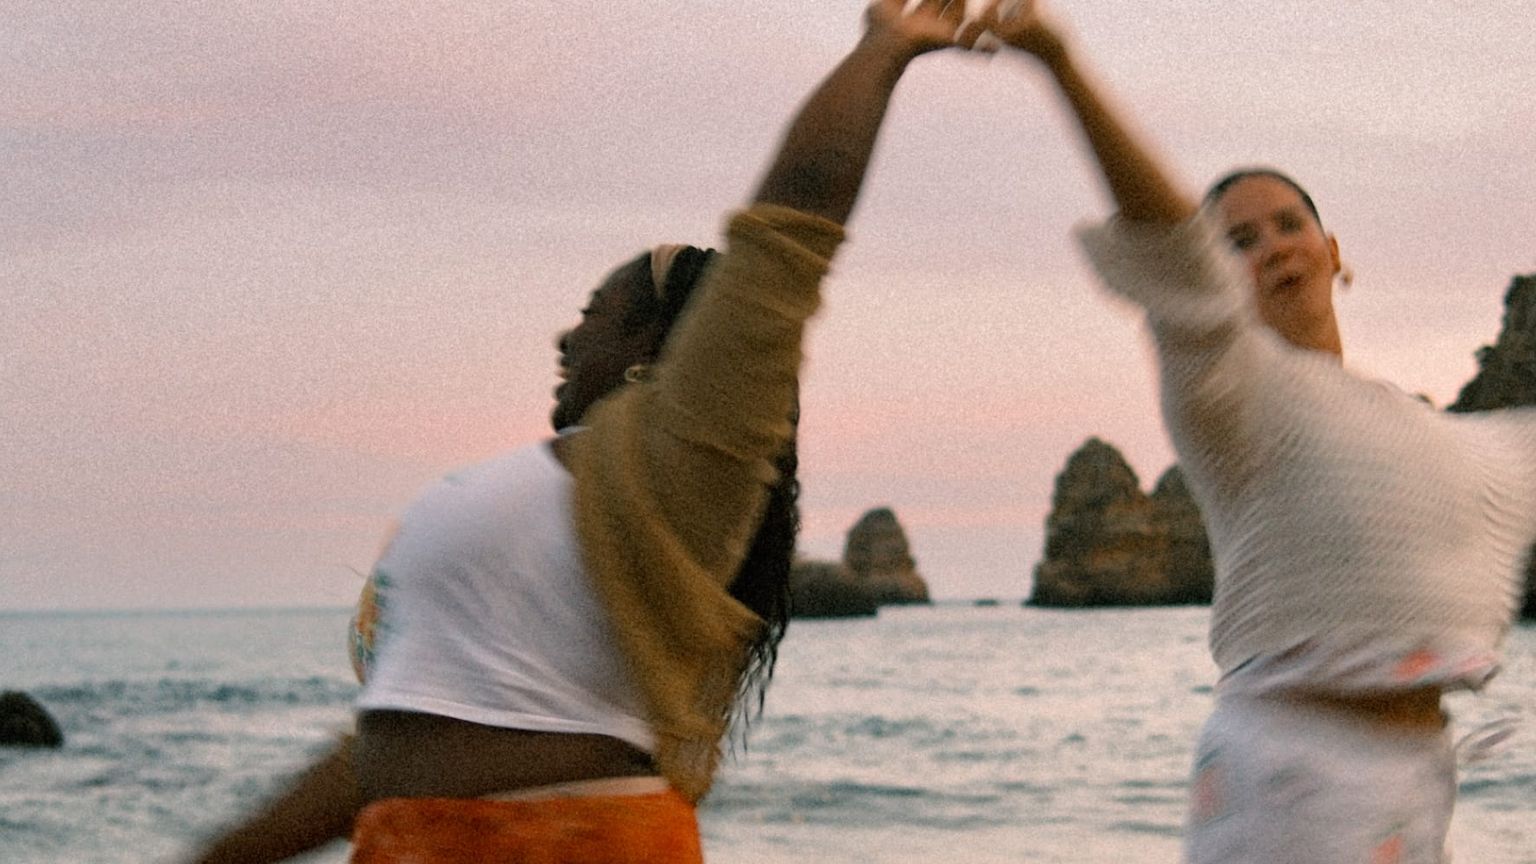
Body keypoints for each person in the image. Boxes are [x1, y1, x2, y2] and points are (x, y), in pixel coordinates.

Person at [186, 2, 969, 862]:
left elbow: (788, 232)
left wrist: (883, 49)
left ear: (656, 351)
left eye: (595, 315)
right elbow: (388, 748)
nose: (568, 338)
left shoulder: (681, 462)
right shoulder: (543, 479)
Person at [961, 3, 1536, 862]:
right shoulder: (1235, 396)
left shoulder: (1417, 431)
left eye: (1288, 225)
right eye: (1239, 240)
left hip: (1414, 775)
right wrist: (1060, 63)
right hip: (1288, 779)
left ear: (1333, 248)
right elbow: (1165, 245)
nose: (1270, 247)